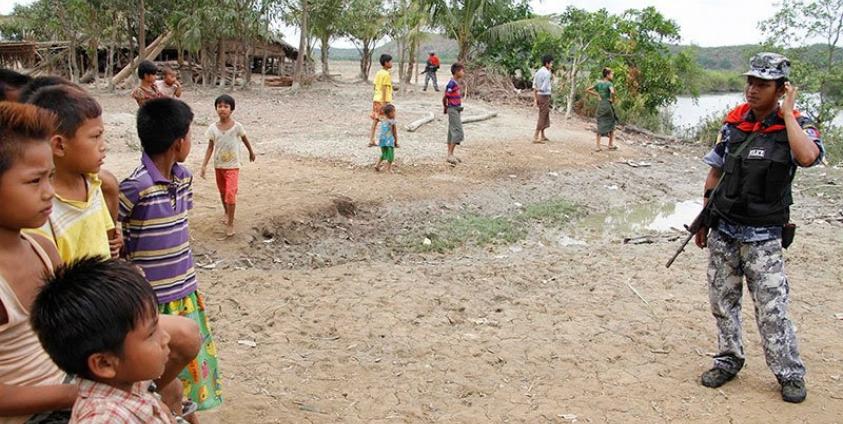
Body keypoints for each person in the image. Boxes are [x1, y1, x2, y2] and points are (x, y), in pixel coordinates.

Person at [0, 102, 200, 424]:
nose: (49, 192)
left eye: (49, 178)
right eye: (34, 182)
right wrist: (88, 392)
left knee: (176, 354)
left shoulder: (40, 248)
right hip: (34, 413)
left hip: (72, 377)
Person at [695, 53, 824, 403]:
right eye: (750, 82)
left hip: (764, 235)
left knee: (772, 308)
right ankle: (728, 359)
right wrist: (704, 218)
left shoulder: (797, 124)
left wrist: (786, 114)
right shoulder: (734, 124)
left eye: (763, 84)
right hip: (725, 229)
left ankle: (789, 373)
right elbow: (715, 171)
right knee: (723, 300)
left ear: (781, 89)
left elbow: (808, 157)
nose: (752, 89)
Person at [119, 98, 222, 412]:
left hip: (184, 290)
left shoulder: (184, 178)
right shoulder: (135, 187)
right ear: (179, 143)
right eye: (190, 135)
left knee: (183, 366)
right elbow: (115, 231)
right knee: (156, 367)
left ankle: (177, 411)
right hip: (151, 297)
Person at [30, 258, 178, 423]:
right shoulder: (104, 418)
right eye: (151, 333)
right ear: (104, 364)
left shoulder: (128, 382)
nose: (166, 338)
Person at [25, 85, 119, 262]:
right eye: (95, 136)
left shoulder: (92, 184)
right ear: (59, 145)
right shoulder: (44, 212)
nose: (103, 146)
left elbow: (106, 239)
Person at [200, 95, 255, 238]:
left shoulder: (237, 127)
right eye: (219, 106)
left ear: (232, 110)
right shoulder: (213, 128)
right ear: (216, 109)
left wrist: (251, 152)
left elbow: (244, 139)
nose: (222, 109)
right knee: (223, 192)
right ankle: (226, 212)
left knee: (230, 193)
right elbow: (210, 147)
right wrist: (204, 165)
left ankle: (230, 223)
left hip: (233, 166)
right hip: (219, 166)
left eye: (226, 106)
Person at [586, 67, 618, 151]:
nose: (612, 76)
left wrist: (597, 95)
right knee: (611, 123)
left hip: (600, 106)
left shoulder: (598, 83)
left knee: (600, 124)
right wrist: (613, 100)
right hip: (607, 105)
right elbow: (612, 92)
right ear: (607, 75)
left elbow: (587, 89)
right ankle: (610, 144)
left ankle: (598, 146)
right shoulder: (609, 84)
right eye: (611, 74)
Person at [369, 54, 394, 147]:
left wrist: (377, 96)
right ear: (386, 63)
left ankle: (371, 139)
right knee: (386, 122)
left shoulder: (379, 73)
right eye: (390, 61)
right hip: (383, 101)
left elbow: (375, 86)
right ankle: (386, 142)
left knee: (376, 120)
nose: (392, 63)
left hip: (376, 99)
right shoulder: (386, 74)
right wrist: (384, 103)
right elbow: (384, 88)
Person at [443, 63, 465, 165]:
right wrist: (445, 107)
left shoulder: (455, 83)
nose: (463, 72)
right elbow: (445, 96)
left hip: (456, 109)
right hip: (452, 109)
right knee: (457, 131)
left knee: (451, 131)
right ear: (456, 72)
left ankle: (450, 154)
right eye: (462, 70)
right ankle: (450, 154)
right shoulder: (451, 83)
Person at [533, 54, 554, 144]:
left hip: (539, 95)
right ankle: (536, 136)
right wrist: (539, 89)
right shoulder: (547, 73)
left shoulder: (538, 72)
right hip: (544, 95)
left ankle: (542, 135)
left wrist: (535, 95)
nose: (552, 65)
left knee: (545, 115)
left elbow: (534, 84)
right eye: (551, 63)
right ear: (547, 63)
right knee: (542, 115)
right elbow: (544, 87)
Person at [374, 104, 398, 173]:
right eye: (394, 112)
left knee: (384, 153)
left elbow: (378, 117)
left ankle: (377, 165)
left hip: (382, 140)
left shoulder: (383, 119)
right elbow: (394, 132)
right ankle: (389, 169)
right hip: (389, 141)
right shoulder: (392, 122)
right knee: (391, 155)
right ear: (390, 113)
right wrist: (396, 142)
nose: (395, 113)